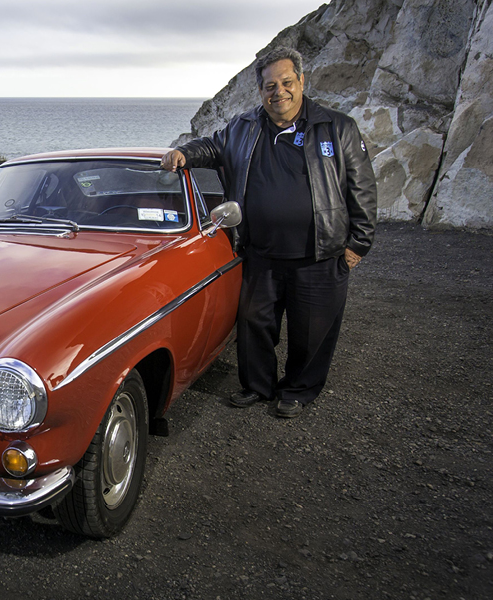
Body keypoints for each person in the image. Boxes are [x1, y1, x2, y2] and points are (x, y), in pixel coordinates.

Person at [162, 46, 377, 418]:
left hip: (319, 254)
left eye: (286, 82)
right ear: (260, 90)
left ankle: (298, 390)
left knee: (312, 332)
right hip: (260, 253)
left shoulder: (336, 127)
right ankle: (257, 387)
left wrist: (358, 244)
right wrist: (184, 151)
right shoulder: (244, 128)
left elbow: (363, 189)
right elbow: (211, 147)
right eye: (270, 86)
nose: (279, 92)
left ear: (301, 81)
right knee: (254, 325)